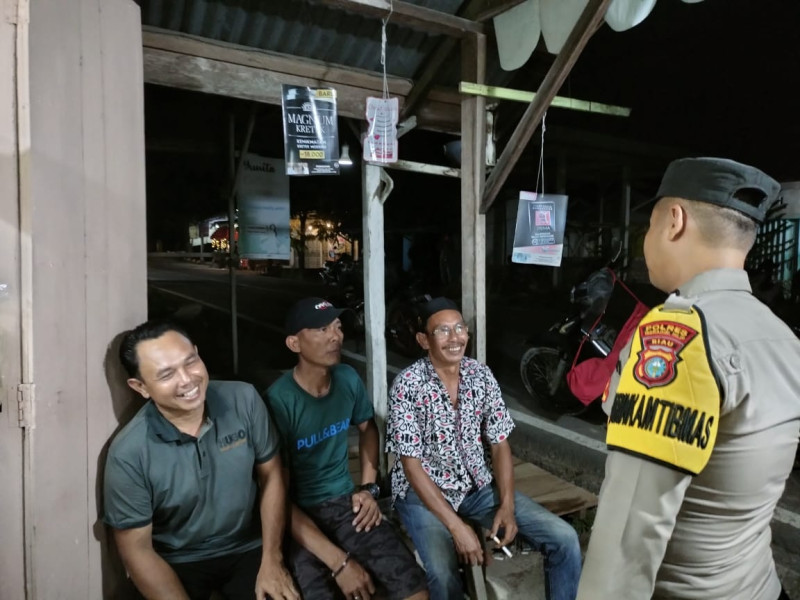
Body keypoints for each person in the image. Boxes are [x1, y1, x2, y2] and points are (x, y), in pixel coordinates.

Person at [576, 157, 800, 600]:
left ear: (674, 221)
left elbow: (629, 534)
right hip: (760, 587)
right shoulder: (780, 335)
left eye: (650, 223)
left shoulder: (678, 335)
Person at [387, 297, 582, 600]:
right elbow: (411, 465)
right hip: (422, 494)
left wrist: (506, 506)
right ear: (423, 340)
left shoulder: (480, 375)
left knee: (565, 538)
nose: (455, 338)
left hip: (475, 488)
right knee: (441, 571)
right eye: (443, 331)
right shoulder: (407, 385)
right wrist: (457, 528)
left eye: (459, 328)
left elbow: (500, 442)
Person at [104, 320, 298, 600]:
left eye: (190, 361)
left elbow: (272, 474)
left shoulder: (243, 399)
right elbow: (137, 549)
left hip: (248, 547)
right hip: (177, 560)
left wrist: (272, 560)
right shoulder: (129, 453)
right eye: (166, 374)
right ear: (140, 386)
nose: (187, 380)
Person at [265, 297, 428, 600]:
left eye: (338, 327)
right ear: (293, 343)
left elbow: (368, 428)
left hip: (346, 504)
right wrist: (341, 564)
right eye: (321, 329)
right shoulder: (278, 402)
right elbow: (276, 497)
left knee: (415, 590)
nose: (335, 336)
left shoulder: (348, 379)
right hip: (298, 516)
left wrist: (368, 488)